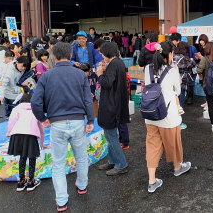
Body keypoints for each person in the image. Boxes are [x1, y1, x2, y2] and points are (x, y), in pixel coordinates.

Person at [31, 42, 94, 212]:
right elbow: (88, 100)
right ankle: (82, 186)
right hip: (77, 121)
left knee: (58, 163)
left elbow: (35, 102)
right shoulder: (80, 75)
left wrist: (42, 118)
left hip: (56, 124)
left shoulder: (46, 76)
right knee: (81, 157)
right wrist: (90, 121)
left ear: (54, 57)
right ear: (70, 55)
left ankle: (61, 201)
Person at [144, 42, 191, 193]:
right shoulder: (172, 70)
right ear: (169, 54)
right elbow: (177, 90)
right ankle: (177, 167)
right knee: (173, 143)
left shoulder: (147, 68)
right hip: (167, 115)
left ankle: (152, 181)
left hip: (150, 114)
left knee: (152, 146)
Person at [96, 42, 129, 176]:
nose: (102, 55)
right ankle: (113, 160)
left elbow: (107, 83)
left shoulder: (114, 64)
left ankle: (121, 164)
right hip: (116, 103)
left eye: (102, 53)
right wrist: (105, 70)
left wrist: (100, 74)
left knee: (111, 137)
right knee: (110, 136)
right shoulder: (118, 63)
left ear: (108, 52)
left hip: (111, 105)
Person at [7, 93, 45, 192]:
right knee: (32, 157)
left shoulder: (16, 109)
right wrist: (41, 141)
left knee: (22, 157)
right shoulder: (35, 109)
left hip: (17, 134)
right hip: (30, 135)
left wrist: (9, 132)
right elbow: (41, 127)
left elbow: (11, 121)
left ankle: (21, 182)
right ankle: (31, 182)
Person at [173, 42, 196, 130]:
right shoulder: (184, 59)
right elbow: (193, 64)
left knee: (173, 102)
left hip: (172, 84)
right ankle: (179, 123)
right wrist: (191, 59)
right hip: (181, 84)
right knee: (180, 103)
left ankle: (172, 121)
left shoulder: (173, 57)